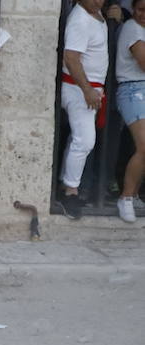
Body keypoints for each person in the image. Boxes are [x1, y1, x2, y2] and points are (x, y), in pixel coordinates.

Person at [58, 0, 110, 219]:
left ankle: (65, 182)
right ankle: (70, 193)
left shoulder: (97, 15)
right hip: (78, 89)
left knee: (77, 139)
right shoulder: (80, 19)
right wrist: (87, 89)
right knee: (85, 140)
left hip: (89, 88)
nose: (98, 0)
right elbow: (71, 58)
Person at [115, 0, 145, 223]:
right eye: (141, 9)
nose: (143, 14)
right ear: (133, 8)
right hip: (132, 89)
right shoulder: (132, 28)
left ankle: (133, 193)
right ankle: (125, 198)